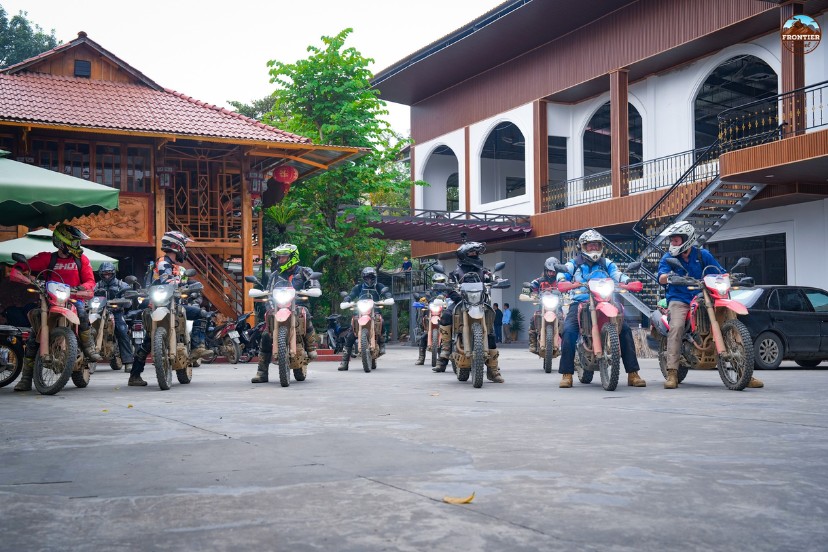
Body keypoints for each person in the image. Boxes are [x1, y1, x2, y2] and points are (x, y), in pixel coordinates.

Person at [656, 221, 763, 390]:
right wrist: (668, 277)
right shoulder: (668, 258)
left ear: (686, 239)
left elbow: (719, 271)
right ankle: (672, 372)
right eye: (672, 241)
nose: (673, 244)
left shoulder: (702, 255)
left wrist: (732, 276)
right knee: (676, 327)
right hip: (680, 299)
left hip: (703, 296)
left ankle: (744, 373)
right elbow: (661, 277)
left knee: (731, 320)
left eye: (676, 240)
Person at [12, 224, 102, 392]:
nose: (78, 246)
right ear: (62, 243)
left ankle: (88, 347)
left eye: (78, 243)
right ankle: (26, 378)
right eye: (75, 243)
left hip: (74, 299)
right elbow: (23, 267)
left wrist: (84, 287)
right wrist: (21, 272)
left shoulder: (81, 260)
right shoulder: (47, 258)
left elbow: (90, 281)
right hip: (50, 301)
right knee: (32, 340)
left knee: (82, 313)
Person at [556, 229, 646, 388]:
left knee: (624, 330)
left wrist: (627, 280)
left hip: (604, 301)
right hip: (580, 302)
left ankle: (633, 374)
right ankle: (566, 374)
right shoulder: (574, 264)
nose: (593, 248)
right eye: (590, 246)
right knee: (569, 331)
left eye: (596, 245)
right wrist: (563, 280)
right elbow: (562, 275)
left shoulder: (606, 263)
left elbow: (617, 274)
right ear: (583, 247)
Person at [128, 231, 210, 386]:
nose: (184, 249)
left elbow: (182, 282)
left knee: (202, 314)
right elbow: (166, 281)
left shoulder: (177, 268)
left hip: (176, 306)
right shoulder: (162, 263)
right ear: (178, 246)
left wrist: (192, 286)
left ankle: (197, 347)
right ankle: (134, 376)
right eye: (184, 246)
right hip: (157, 305)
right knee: (147, 342)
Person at [435, 241, 504, 383]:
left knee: (490, 333)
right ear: (463, 256)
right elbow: (449, 286)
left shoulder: (483, 272)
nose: (475, 255)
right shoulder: (455, 273)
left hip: (480, 303)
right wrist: (450, 290)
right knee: (447, 315)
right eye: (472, 253)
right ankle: (446, 348)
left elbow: (493, 279)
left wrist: (499, 280)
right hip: (461, 303)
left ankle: (492, 370)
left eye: (476, 253)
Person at [252, 244, 320, 383]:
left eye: (284, 257)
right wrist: (271, 308)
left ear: (292, 257)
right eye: (280, 257)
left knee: (305, 313)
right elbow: (269, 293)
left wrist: (313, 288)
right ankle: (261, 372)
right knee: (265, 336)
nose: (281, 259)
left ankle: (311, 347)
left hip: (299, 305)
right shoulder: (275, 275)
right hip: (278, 309)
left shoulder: (304, 271)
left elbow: (314, 283)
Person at [338, 267, 392, 370]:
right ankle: (344, 362)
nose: (369, 279)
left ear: (375, 277)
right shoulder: (358, 287)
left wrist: (388, 297)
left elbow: (386, 293)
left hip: (375, 311)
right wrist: (347, 300)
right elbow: (351, 295)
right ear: (363, 278)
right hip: (361, 313)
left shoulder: (379, 286)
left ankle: (381, 344)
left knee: (381, 321)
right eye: (367, 277)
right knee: (350, 335)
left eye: (371, 277)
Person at [94, 261, 134, 372]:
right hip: (99, 313)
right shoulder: (97, 286)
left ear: (113, 273)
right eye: (104, 274)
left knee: (121, 331)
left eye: (109, 274)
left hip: (116, 313)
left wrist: (123, 300)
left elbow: (129, 302)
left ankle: (128, 362)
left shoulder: (122, 285)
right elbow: (90, 296)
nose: (107, 276)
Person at [528, 257, 562, 354]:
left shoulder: (561, 281)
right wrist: (530, 291)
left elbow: (567, 288)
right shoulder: (539, 281)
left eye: (553, 272)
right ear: (545, 270)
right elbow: (531, 286)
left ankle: (570, 350)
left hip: (557, 308)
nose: (551, 273)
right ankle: (533, 343)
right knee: (532, 320)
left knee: (566, 324)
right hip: (542, 309)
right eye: (549, 271)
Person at [414, 272, 448, 367]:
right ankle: (421, 357)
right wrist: (422, 299)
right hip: (432, 312)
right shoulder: (430, 291)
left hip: (443, 312)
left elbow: (450, 299)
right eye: (437, 281)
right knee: (424, 335)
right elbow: (426, 298)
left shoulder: (447, 291)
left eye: (441, 281)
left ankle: (444, 357)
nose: (439, 283)